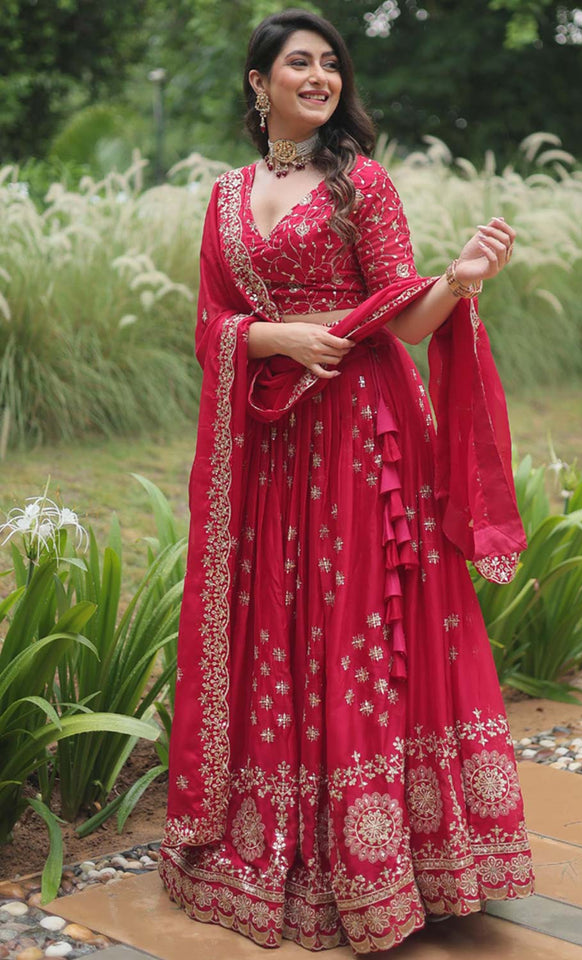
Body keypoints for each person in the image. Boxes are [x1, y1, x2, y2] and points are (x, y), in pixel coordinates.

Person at [158, 8, 535, 954]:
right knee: (282, 624)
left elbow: (406, 319)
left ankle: (388, 864)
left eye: (331, 64)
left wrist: (460, 277)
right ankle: (276, 847)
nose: (320, 77)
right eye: (299, 64)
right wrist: (272, 336)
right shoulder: (225, 199)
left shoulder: (359, 183)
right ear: (260, 82)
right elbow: (210, 323)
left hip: (363, 436)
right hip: (272, 443)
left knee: (360, 626)